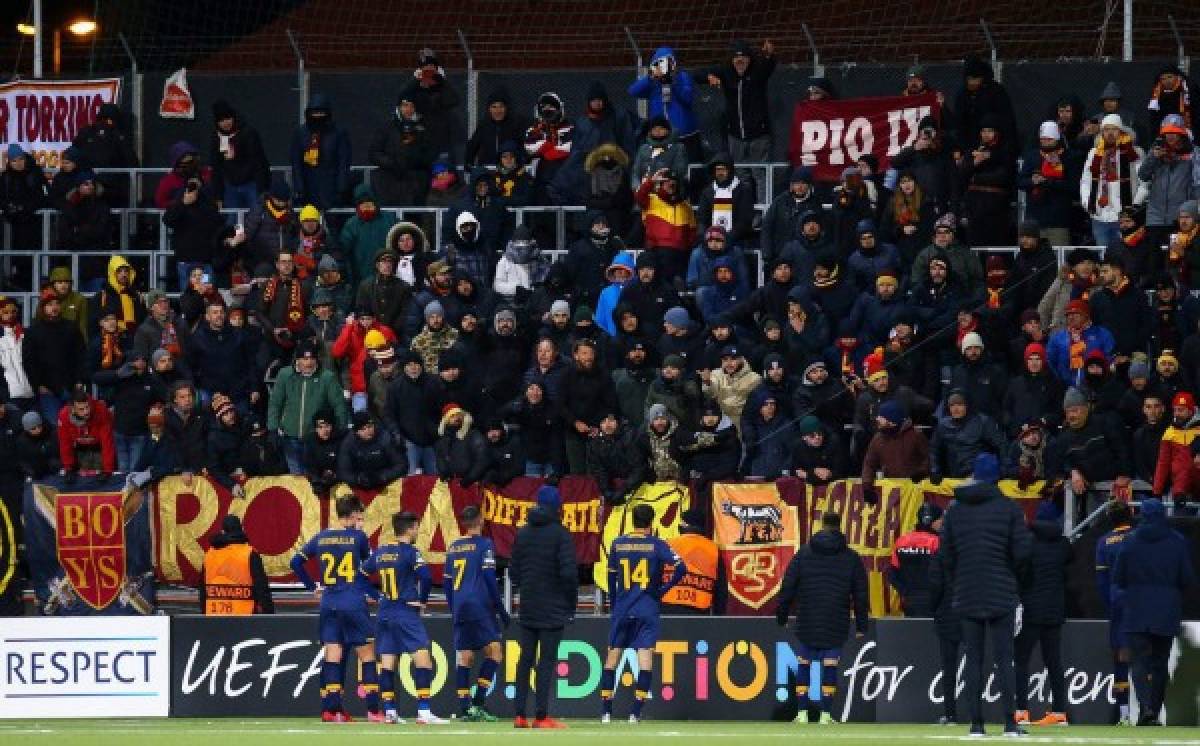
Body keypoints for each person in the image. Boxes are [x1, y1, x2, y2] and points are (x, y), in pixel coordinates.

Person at [940, 453, 1032, 737]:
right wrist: (1012, 577)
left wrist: (959, 579)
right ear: (997, 478)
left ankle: (976, 725)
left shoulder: (955, 510)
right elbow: (1023, 552)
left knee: (973, 659)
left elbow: (945, 555)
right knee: (1005, 659)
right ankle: (1010, 724)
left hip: (967, 592)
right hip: (1001, 591)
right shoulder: (1008, 508)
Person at [289, 495, 382, 723]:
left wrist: (313, 587)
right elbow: (368, 568)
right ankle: (372, 710)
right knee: (367, 654)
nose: (361, 522)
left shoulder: (321, 537)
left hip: (328, 602)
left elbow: (295, 563)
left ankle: (332, 710)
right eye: (359, 517)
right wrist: (378, 595)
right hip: (352, 601)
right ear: (350, 516)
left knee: (333, 654)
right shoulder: (358, 537)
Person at [775, 509, 869, 724]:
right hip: (836, 620)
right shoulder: (851, 557)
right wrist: (862, 625)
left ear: (821, 525)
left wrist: (781, 616)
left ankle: (801, 714)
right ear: (839, 527)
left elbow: (787, 586)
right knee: (830, 666)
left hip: (807, 618)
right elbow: (861, 594)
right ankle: (826, 715)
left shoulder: (804, 553)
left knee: (804, 665)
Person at [1113, 497, 1197, 726]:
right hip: (1166, 610)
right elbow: (1187, 578)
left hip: (1136, 608)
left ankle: (1145, 708)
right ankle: (1155, 709)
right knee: (1160, 663)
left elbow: (1118, 577)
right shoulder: (1178, 541)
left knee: (1138, 661)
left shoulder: (1129, 541)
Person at [600, 503, 685, 724]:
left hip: (623, 607)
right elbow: (681, 567)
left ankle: (606, 713)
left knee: (612, 658)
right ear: (651, 521)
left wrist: (616, 600)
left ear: (632, 520)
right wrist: (662, 590)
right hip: (647, 607)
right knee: (645, 658)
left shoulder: (618, 544)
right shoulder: (657, 545)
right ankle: (634, 714)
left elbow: (611, 578)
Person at [362, 510, 447, 725]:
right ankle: (424, 711)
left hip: (384, 612)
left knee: (388, 663)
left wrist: (377, 596)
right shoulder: (410, 552)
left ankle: (390, 712)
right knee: (423, 660)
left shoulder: (381, 551)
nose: (418, 530)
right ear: (410, 529)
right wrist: (423, 600)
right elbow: (426, 578)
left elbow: (361, 576)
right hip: (405, 612)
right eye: (417, 527)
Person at [509, 485, 578, 728]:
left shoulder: (523, 532)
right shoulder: (561, 534)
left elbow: (513, 571)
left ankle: (519, 715)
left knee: (525, 660)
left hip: (528, 605)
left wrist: (526, 587)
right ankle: (541, 716)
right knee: (546, 662)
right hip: (553, 607)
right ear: (557, 507)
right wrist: (570, 603)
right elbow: (569, 573)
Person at [445, 505, 509, 721]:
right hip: (480, 605)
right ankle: (479, 702)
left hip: (460, 606)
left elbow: (447, 582)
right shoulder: (485, 544)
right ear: (480, 520)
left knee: (465, 657)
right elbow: (490, 578)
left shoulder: (453, 547)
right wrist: (500, 609)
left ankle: (465, 708)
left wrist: (453, 607)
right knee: (495, 652)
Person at [1012, 501, 1071, 727]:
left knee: (1021, 661)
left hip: (1031, 611)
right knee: (1054, 662)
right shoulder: (1063, 544)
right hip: (1055, 610)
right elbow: (1070, 561)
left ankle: (1021, 712)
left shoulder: (1028, 543)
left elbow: (1020, 572)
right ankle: (1059, 713)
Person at [1094, 501, 1135, 725]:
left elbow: (1101, 582)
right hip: (1141, 603)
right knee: (1145, 656)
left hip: (1117, 605)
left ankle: (1125, 713)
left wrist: (1109, 605)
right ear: (1131, 513)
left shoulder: (1103, 542)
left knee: (1121, 657)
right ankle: (1148, 709)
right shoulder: (1138, 537)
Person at [706, 39, 776, 162]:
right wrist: (709, 77)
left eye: (743, 57)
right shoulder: (726, 73)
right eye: (736, 58)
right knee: (739, 172)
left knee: (759, 172)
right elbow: (698, 74)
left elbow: (769, 65)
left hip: (758, 135)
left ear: (749, 59)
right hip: (735, 136)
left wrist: (769, 55)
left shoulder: (757, 73)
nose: (740, 60)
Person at [199, 515, 274, 616]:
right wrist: (269, 615)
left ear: (223, 531)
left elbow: (203, 591)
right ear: (241, 529)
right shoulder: (249, 553)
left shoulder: (209, 555)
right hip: (245, 618)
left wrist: (204, 615)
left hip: (214, 618)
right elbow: (261, 587)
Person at [663, 507, 726, 615]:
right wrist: (719, 618)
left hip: (667, 608)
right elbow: (721, 590)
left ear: (685, 525)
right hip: (699, 611)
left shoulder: (667, 544)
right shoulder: (713, 549)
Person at [887, 502, 943, 617]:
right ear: (932, 521)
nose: (942, 522)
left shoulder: (901, 541)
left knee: (912, 633)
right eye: (940, 519)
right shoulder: (938, 542)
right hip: (935, 601)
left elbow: (891, 574)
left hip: (909, 601)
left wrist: (905, 592)